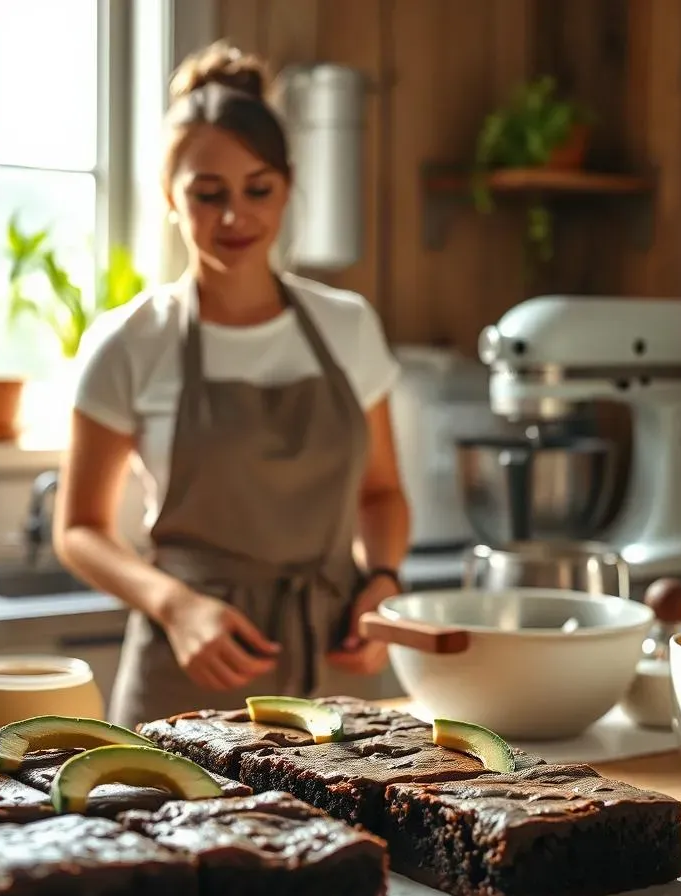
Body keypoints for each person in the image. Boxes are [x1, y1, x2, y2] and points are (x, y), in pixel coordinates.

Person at [53, 41, 411, 728]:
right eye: (207, 194)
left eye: (258, 190)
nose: (232, 217)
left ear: (288, 184)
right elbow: (80, 529)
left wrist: (383, 582)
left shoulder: (348, 326)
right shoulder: (130, 342)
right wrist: (174, 605)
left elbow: (382, 493)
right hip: (190, 678)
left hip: (338, 679)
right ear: (168, 196)